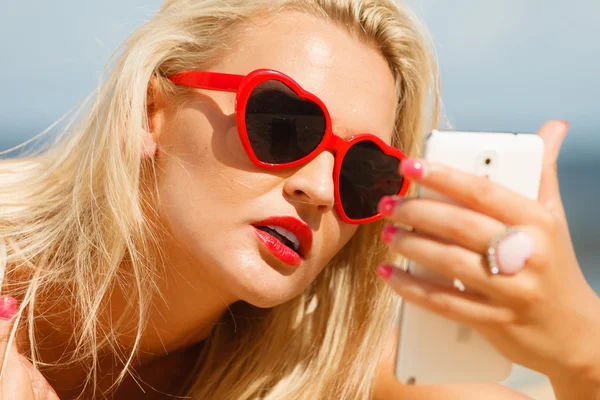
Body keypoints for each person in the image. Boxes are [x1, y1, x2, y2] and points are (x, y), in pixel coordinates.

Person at [0, 0, 599, 399]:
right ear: (150, 111)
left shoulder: (321, 370)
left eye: (364, 170)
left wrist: (579, 346)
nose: (315, 188)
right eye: (282, 124)